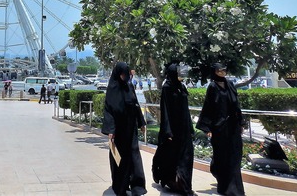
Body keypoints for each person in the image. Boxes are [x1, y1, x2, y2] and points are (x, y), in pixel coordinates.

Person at [196, 63, 246, 196]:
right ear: (215, 72)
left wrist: (241, 122)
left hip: (233, 127)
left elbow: (236, 104)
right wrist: (207, 127)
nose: (223, 72)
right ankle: (224, 185)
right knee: (221, 157)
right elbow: (208, 107)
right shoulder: (212, 87)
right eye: (220, 71)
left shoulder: (230, 84)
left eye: (224, 70)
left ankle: (235, 189)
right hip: (219, 128)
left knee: (235, 155)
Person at [102, 62, 147, 196]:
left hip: (130, 128)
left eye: (126, 74)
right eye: (122, 74)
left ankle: (137, 186)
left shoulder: (129, 85)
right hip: (118, 130)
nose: (125, 77)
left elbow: (135, 105)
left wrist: (141, 122)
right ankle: (120, 186)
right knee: (119, 159)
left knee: (134, 156)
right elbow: (108, 110)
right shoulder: (112, 87)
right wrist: (111, 130)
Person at [152, 63, 196, 196]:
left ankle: (185, 186)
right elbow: (165, 110)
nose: (181, 75)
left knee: (186, 159)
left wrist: (191, 127)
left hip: (184, 130)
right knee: (172, 159)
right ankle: (172, 182)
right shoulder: (167, 87)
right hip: (173, 131)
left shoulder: (181, 87)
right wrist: (167, 131)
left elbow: (185, 109)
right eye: (178, 73)